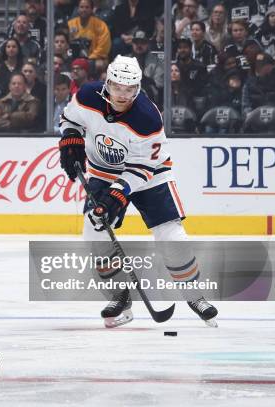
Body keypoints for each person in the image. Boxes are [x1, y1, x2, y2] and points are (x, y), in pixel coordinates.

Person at [58, 55, 219, 328]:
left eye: (129, 89)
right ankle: (120, 295)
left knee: (170, 233)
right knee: (93, 229)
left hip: (151, 174)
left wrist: (117, 196)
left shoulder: (146, 117)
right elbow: (69, 119)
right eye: (118, 87)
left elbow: (140, 169)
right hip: (103, 172)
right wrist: (70, 138)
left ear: (138, 88)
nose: (122, 94)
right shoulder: (87, 95)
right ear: (107, 83)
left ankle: (194, 295)